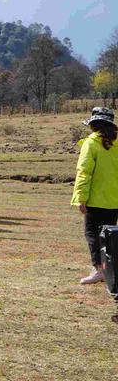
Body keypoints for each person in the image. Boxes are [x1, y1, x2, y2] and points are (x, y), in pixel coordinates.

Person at [72, 107, 118, 285]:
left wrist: (81, 197)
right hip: (114, 200)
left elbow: (84, 172)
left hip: (96, 199)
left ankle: (99, 269)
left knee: (93, 234)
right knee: (110, 235)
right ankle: (110, 269)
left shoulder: (91, 144)